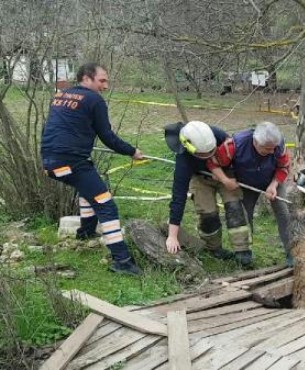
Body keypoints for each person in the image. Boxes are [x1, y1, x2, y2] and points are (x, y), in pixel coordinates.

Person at [40, 62, 144, 276]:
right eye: (102, 81)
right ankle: (122, 261)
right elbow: (107, 136)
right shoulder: (94, 100)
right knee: (107, 205)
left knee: (87, 186)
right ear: (86, 78)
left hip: (50, 163)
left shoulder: (61, 95)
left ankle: (85, 234)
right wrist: (132, 151)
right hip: (71, 162)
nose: (105, 86)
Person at [206, 122, 292, 266]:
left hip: (272, 178)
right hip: (247, 181)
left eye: (273, 149)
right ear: (255, 142)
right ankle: (246, 253)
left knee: (283, 212)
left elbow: (284, 166)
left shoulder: (279, 146)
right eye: (267, 149)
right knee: (245, 215)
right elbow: (213, 162)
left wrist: (274, 184)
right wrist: (225, 180)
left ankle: (292, 252)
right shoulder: (233, 145)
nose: (272, 152)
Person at [164, 120, 237, 261]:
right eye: (205, 154)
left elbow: (235, 154)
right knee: (208, 215)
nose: (209, 156)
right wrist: (172, 236)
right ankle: (214, 249)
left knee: (235, 208)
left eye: (211, 152)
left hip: (227, 172)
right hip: (200, 177)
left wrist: (223, 175)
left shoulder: (218, 135)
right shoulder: (184, 162)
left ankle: (243, 252)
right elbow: (178, 197)